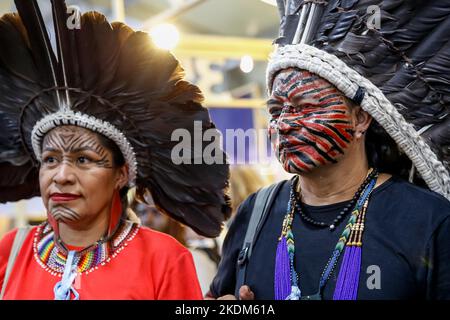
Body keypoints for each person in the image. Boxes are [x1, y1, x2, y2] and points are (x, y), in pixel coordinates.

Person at [208, 0, 450, 300]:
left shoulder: (427, 218)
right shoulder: (256, 213)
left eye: (304, 107)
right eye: (275, 110)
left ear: (360, 118)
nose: (282, 124)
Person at [0, 0, 230, 300]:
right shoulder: (10, 253)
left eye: (84, 159)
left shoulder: (164, 260)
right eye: (50, 160)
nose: (62, 176)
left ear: (121, 173)